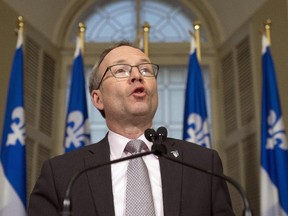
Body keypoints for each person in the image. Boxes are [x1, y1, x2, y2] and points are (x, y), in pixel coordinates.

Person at [28, 41, 235, 216]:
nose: (137, 76)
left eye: (145, 69)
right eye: (120, 70)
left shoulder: (202, 165)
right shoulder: (62, 175)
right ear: (97, 99)